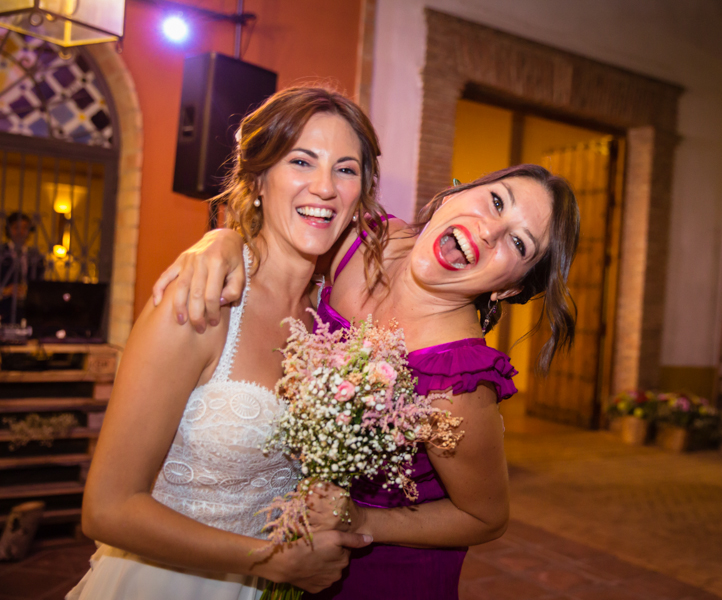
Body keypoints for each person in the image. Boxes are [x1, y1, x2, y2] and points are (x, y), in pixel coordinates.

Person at [152, 163, 581, 599]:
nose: (490, 230)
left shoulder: (458, 382)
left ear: (509, 288)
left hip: (382, 577)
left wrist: (361, 520)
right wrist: (223, 242)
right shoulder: (365, 240)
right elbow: (274, 247)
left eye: (518, 242)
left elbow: (486, 517)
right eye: (495, 201)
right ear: (455, 194)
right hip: (279, 550)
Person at [67, 87, 384, 600]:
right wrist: (274, 560)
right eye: (302, 161)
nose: (325, 187)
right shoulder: (202, 303)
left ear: (360, 195)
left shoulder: (336, 320)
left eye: (345, 170)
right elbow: (106, 509)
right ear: (258, 179)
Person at [0, 212, 45, 325]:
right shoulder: (1, 253)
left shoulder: (36, 257)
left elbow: (40, 286)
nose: (21, 232)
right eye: (16, 227)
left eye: (25, 228)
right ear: (9, 229)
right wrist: (4, 291)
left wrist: (28, 292)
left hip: (27, 314)